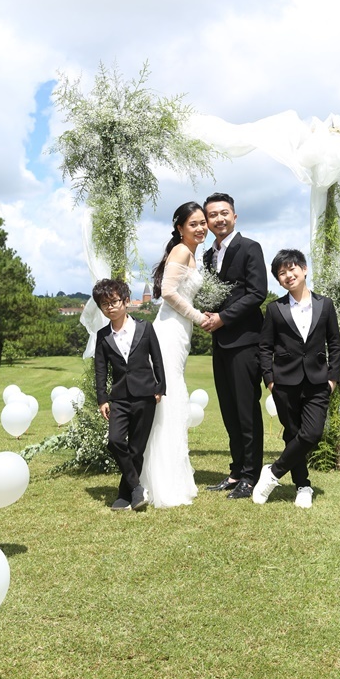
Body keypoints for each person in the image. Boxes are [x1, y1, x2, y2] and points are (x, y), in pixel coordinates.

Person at [253, 249, 340, 509]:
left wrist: (332, 378)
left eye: (292, 269)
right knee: (293, 435)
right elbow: (265, 347)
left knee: (312, 433)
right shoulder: (274, 309)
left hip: (318, 381)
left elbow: (335, 343)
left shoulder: (325, 305)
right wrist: (270, 379)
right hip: (284, 383)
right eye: (282, 273)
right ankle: (303, 486)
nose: (288, 275)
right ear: (279, 281)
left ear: (304, 269)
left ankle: (272, 473)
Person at [140, 201, 208, 508]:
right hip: (169, 330)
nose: (201, 228)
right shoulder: (181, 251)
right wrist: (198, 317)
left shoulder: (191, 253)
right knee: (169, 397)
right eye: (194, 223)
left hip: (181, 332)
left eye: (203, 222)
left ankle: (171, 474)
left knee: (173, 395)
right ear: (180, 228)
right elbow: (167, 292)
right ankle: (163, 481)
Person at [202, 192, 267, 499]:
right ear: (207, 220)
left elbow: (257, 293)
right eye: (213, 215)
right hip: (220, 343)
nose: (219, 219)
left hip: (245, 342)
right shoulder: (207, 256)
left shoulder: (250, 248)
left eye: (224, 213)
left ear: (235, 216)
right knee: (228, 410)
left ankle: (251, 476)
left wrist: (223, 318)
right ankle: (236, 471)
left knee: (246, 411)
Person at [93, 278, 166, 512]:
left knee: (136, 449)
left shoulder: (145, 328)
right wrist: (102, 399)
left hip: (146, 395)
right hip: (119, 398)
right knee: (115, 441)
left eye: (114, 301)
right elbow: (101, 370)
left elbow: (157, 359)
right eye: (104, 304)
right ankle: (136, 488)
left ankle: (125, 494)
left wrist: (160, 388)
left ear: (125, 301)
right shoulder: (102, 336)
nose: (110, 307)